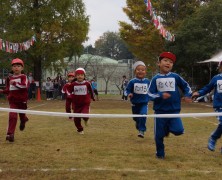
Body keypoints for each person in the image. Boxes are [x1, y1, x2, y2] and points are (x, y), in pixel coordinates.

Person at [148, 52, 192, 159]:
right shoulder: (155, 79)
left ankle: (167, 129)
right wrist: (160, 95)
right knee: (158, 136)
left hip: (174, 111)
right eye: (165, 61)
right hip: (159, 112)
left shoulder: (176, 77)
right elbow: (149, 94)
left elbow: (186, 86)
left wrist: (187, 95)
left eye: (171, 62)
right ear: (159, 63)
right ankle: (160, 154)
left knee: (178, 131)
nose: (168, 63)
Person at [192, 61, 222, 152]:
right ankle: (213, 137)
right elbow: (207, 88)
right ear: (220, 67)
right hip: (219, 106)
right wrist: (199, 93)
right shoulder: (216, 78)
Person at [0, 58, 29, 142]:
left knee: (22, 116)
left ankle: (23, 120)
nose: (16, 68)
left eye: (18, 66)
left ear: (22, 68)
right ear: (12, 68)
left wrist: (15, 83)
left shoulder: (24, 77)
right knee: (12, 116)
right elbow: (9, 89)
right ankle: (10, 134)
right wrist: (2, 91)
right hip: (13, 101)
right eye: (14, 66)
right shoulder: (9, 78)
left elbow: (24, 86)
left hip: (22, 100)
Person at [126, 61, 150, 138]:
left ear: (145, 72)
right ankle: (138, 123)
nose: (140, 71)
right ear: (135, 71)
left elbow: (152, 90)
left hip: (144, 103)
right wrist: (129, 94)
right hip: (135, 103)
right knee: (136, 118)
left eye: (142, 70)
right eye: (138, 69)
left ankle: (142, 130)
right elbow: (127, 90)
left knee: (143, 115)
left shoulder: (147, 81)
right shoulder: (132, 81)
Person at [68, 68, 95, 134]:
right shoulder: (73, 84)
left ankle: (86, 119)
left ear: (84, 76)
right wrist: (69, 96)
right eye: (78, 75)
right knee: (76, 119)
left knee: (84, 114)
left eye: (81, 75)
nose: (80, 76)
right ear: (76, 76)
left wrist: (92, 97)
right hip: (76, 104)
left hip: (85, 103)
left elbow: (91, 91)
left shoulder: (87, 83)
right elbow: (69, 91)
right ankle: (80, 130)